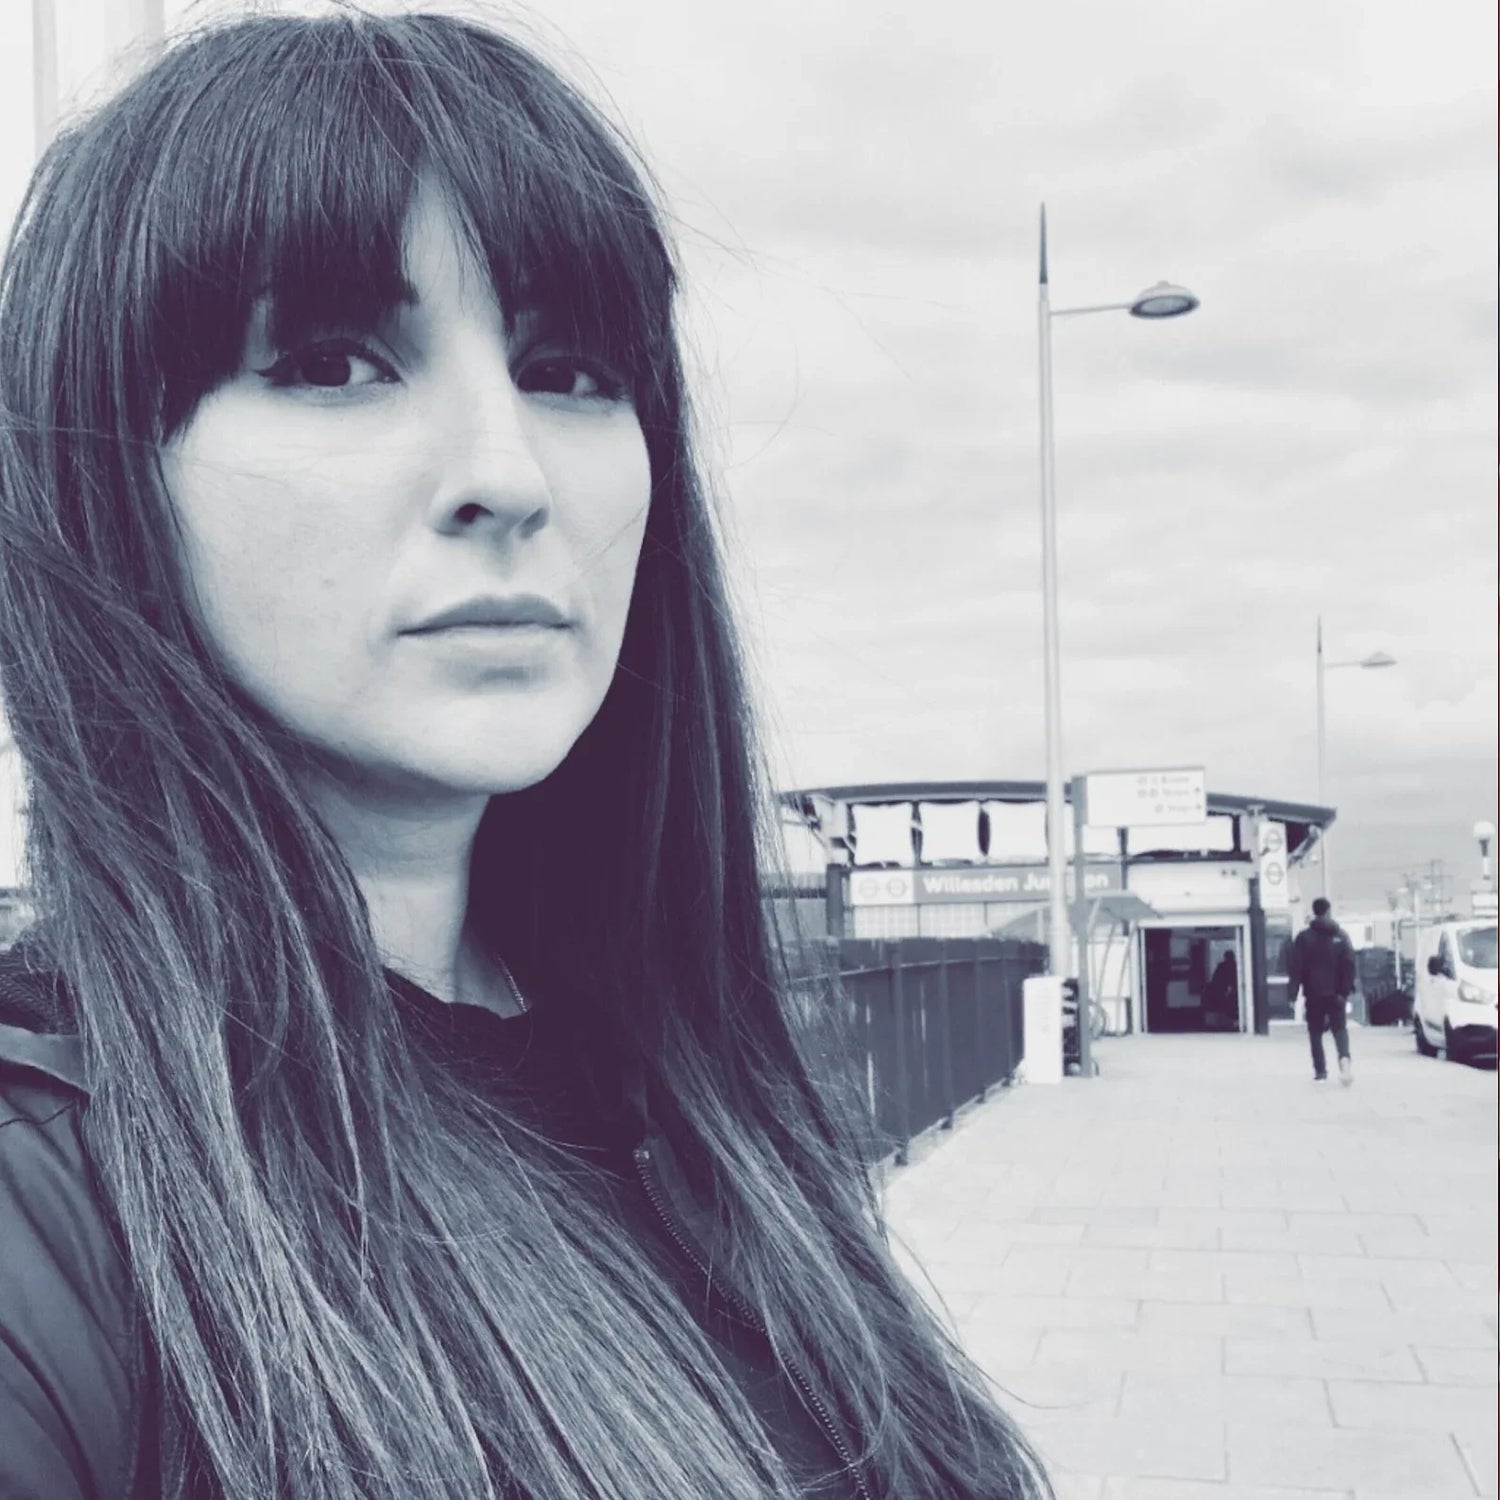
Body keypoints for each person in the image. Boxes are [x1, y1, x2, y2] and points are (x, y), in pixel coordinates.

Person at [0, 11, 1051, 1500]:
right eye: (332, 361)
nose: (506, 473)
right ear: (108, 473)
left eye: (569, 370)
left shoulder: (687, 1081)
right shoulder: (58, 1221)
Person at [1287, 897, 1357, 1084]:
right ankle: (1344, 1058)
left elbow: (1296, 967)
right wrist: (1345, 991)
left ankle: (1320, 1072)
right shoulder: (1341, 936)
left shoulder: (1304, 938)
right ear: (1328, 911)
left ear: (1314, 912)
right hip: (1337, 995)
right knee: (1340, 1029)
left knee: (1315, 1033)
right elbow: (1349, 965)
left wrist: (1292, 994)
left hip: (1314, 994)